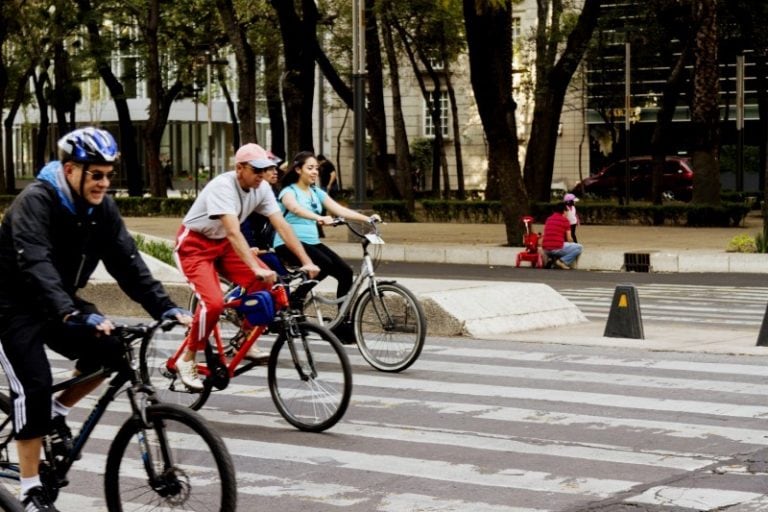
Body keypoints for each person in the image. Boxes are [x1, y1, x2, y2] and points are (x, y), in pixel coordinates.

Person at [0, 127, 192, 511]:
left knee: (111, 350)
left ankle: (58, 412)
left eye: (108, 175)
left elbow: (127, 260)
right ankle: (30, 487)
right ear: (71, 169)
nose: (104, 183)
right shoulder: (35, 202)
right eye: (96, 174)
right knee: (33, 387)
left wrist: (164, 307)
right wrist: (71, 312)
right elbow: (35, 263)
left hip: (59, 300)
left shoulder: (100, 208)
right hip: (11, 305)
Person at [174, 143, 319, 390]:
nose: (261, 176)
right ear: (239, 168)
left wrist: (306, 260)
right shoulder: (223, 186)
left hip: (224, 245)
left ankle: (245, 339)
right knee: (214, 303)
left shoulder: (261, 189)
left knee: (267, 283)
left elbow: (282, 225)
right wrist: (255, 266)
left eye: (265, 170)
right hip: (195, 246)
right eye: (256, 170)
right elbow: (233, 231)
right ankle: (186, 358)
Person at [273, 151, 380, 341]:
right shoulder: (289, 191)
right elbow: (295, 208)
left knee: (345, 272)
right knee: (322, 265)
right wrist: (319, 217)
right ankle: (295, 301)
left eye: (316, 168)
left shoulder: (316, 192)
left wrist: (368, 219)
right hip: (288, 243)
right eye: (310, 168)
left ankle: (340, 323)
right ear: (298, 170)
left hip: (312, 243)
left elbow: (339, 210)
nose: (315, 172)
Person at [541, 201, 583, 270]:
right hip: (557, 247)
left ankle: (552, 260)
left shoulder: (548, 219)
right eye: (567, 211)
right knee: (579, 247)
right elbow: (569, 239)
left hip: (546, 248)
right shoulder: (565, 221)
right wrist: (572, 245)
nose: (568, 213)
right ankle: (562, 261)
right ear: (564, 211)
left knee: (561, 246)